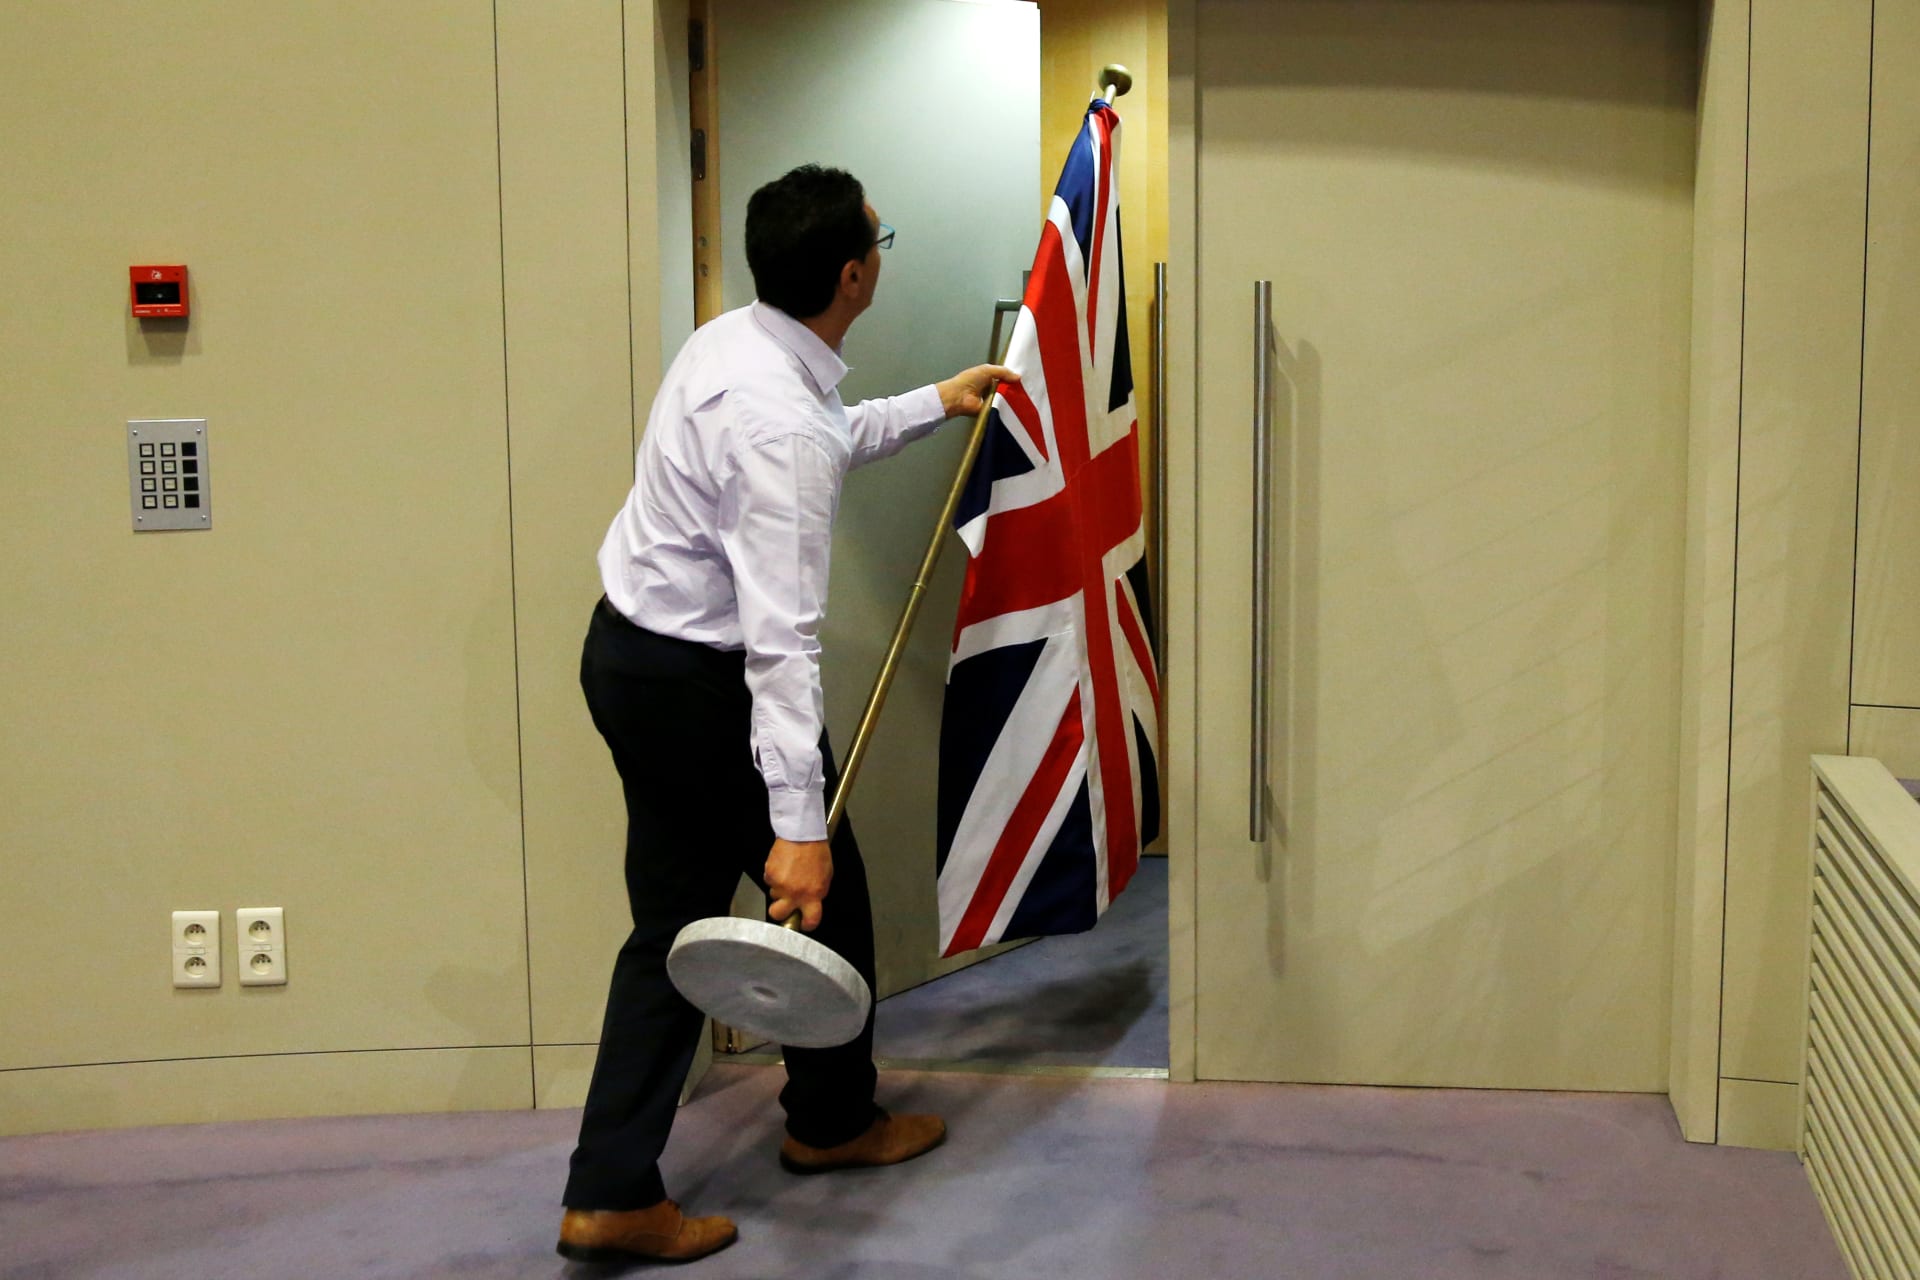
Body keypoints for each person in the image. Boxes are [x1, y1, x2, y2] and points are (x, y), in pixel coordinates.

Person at [555, 164, 1017, 1266]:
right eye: (881, 236)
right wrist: (794, 829)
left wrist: (927, 404)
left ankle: (627, 1180)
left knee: (672, 926)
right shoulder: (780, 429)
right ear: (855, 274)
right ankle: (824, 1125)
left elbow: (820, 431)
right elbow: (781, 645)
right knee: (811, 886)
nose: (881, 250)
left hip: (628, 655)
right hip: (698, 682)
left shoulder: (738, 341)